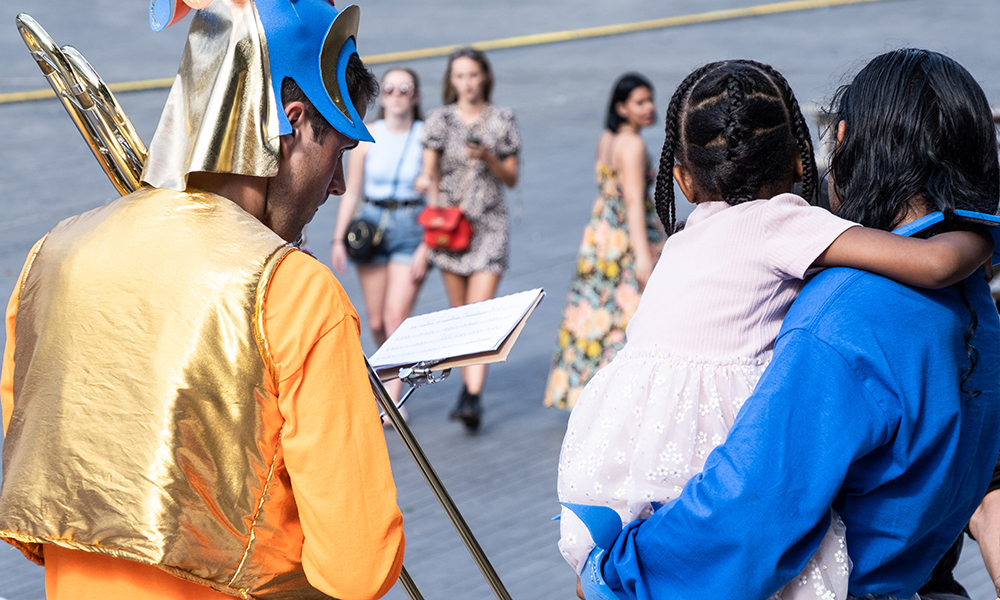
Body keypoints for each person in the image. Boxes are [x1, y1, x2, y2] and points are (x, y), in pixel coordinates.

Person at [0, 2, 405, 599]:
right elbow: (356, 569)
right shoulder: (294, 290)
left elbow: (47, 505)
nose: (339, 184)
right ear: (292, 122)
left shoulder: (52, 255)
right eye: (339, 151)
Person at [558, 57, 994, 600]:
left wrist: (623, 579)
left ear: (842, 139)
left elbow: (752, 507)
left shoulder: (839, 318)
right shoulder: (975, 307)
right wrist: (982, 234)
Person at [543, 73, 666, 411]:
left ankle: (588, 391)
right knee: (631, 315)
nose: (649, 108)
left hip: (600, 239)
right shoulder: (634, 145)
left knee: (596, 313)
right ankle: (628, 394)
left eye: (650, 100)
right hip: (627, 240)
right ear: (621, 107)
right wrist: (644, 254)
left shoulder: (607, 139)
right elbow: (632, 203)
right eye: (640, 102)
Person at [416, 47, 520, 431]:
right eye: (460, 76)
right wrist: (428, 210)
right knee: (460, 316)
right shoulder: (439, 120)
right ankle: (467, 389)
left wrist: (489, 157)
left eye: (473, 75)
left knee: (480, 314)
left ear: (485, 77)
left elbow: (511, 177)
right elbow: (430, 174)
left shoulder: (502, 120)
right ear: (451, 80)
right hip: (449, 229)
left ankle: (472, 396)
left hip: (489, 226)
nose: (468, 83)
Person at [332, 67, 429, 419]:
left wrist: (427, 246)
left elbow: (437, 194)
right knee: (374, 321)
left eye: (405, 89)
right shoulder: (368, 136)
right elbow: (352, 190)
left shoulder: (426, 136)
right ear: (382, 96)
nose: (397, 95)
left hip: (411, 226)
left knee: (395, 317)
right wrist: (339, 237)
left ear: (416, 96)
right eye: (389, 89)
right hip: (371, 225)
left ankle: (392, 396)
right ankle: (393, 372)